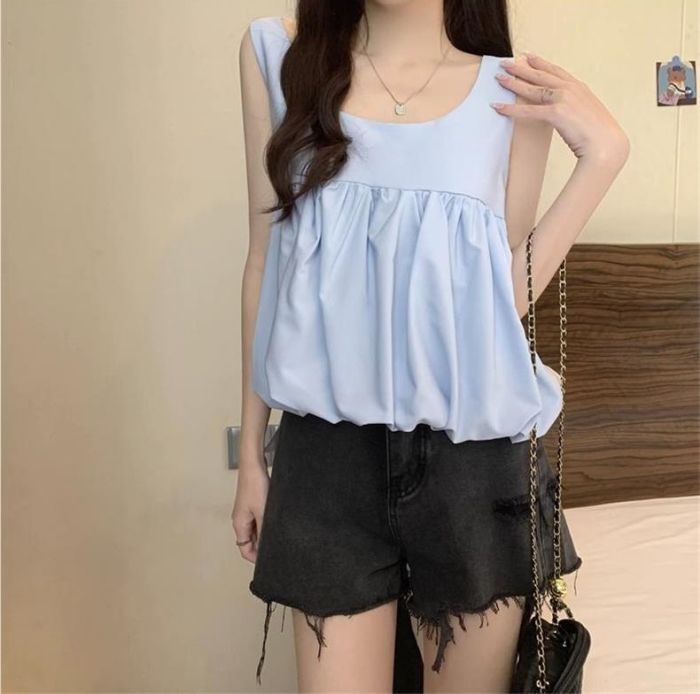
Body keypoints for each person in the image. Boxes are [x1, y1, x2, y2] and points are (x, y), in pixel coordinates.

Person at [233, 1, 629, 691]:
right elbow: (265, 261)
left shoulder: (513, 92)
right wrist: (250, 455)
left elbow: (497, 303)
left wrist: (604, 159)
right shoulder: (279, 55)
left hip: (473, 465)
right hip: (325, 461)